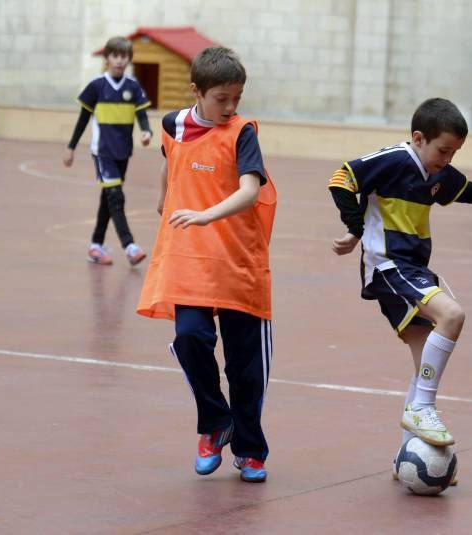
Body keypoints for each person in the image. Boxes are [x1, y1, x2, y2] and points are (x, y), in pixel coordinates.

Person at [328, 97, 472, 462]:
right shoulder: (394, 160)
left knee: (424, 351)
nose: (447, 160)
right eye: (443, 150)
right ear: (418, 138)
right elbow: (341, 178)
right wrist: (354, 228)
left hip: (415, 268)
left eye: (454, 153)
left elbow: (467, 191)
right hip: (389, 266)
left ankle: (409, 451)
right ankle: (422, 407)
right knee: (452, 316)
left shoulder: (437, 171)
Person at [136, 46, 278, 483]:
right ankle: (215, 422)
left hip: (237, 262)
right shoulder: (172, 125)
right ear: (196, 91)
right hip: (190, 260)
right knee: (190, 338)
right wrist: (164, 197)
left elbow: (250, 191)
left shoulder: (242, 133)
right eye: (222, 98)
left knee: (244, 366)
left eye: (237, 97)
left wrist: (203, 214)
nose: (230, 107)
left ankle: (251, 450)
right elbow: (170, 160)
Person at [62, 36, 152, 265]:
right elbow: (83, 119)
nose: (120, 61)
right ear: (107, 58)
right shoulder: (96, 86)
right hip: (102, 152)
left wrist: (146, 131)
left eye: (124, 57)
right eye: (115, 55)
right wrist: (71, 147)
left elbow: (141, 114)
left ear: (129, 60)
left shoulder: (133, 86)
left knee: (108, 198)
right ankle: (129, 246)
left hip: (123, 152)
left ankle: (95, 245)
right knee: (115, 196)